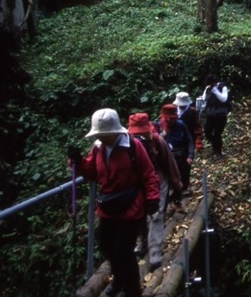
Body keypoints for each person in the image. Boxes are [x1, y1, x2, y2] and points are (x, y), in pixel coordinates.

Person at [67, 109, 160, 297]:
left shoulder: (132, 146)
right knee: (106, 246)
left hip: (131, 205)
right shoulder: (98, 148)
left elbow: (149, 174)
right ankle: (119, 279)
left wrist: (152, 198)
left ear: (114, 132)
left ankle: (132, 289)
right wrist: (78, 161)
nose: (101, 137)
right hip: (108, 206)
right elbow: (92, 172)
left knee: (123, 249)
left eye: (103, 134)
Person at [127, 112, 182, 273]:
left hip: (158, 181)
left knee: (156, 215)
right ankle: (144, 242)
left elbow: (170, 164)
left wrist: (177, 185)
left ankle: (155, 254)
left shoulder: (158, 141)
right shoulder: (128, 144)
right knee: (139, 215)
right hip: (136, 184)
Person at [158, 104, 194, 210]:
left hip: (181, 157)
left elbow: (189, 140)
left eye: (173, 119)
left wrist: (190, 155)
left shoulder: (181, 125)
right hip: (166, 159)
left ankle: (177, 200)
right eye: (169, 119)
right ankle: (166, 204)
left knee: (180, 181)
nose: (171, 121)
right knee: (167, 182)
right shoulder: (158, 126)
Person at [201, 74, 230, 158]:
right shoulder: (208, 88)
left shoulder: (222, 87)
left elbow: (224, 99)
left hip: (221, 114)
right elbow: (204, 99)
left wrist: (215, 91)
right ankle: (215, 147)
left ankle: (218, 152)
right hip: (211, 114)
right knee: (207, 131)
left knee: (217, 133)